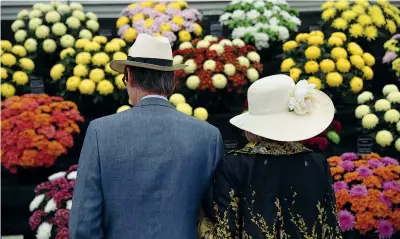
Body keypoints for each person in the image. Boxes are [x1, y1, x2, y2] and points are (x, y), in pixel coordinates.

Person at [69, 34, 224, 239]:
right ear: (171, 81)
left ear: (130, 76)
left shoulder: (100, 131)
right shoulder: (208, 136)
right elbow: (219, 216)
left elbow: (84, 224)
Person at [199, 74, 342, 239]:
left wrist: (200, 219)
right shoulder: (317, 163)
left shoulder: (234, 165)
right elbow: (331, 230)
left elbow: (225, 233)